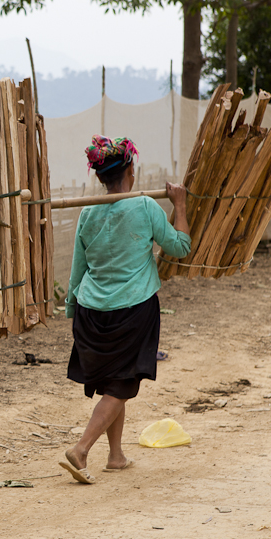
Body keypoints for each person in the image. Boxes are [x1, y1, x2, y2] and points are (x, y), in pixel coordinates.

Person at [60, 135, 191, 484]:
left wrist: (73, 314)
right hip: (132, 311)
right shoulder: (146, 207)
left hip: (91, 313)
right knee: (121, 384)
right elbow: (179, 247)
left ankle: (116, 456)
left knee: (114, 382)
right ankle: (82, 449)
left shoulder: (88, 213)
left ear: (99, 177)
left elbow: (77, 270)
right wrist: (180, 205)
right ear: (131, 169)